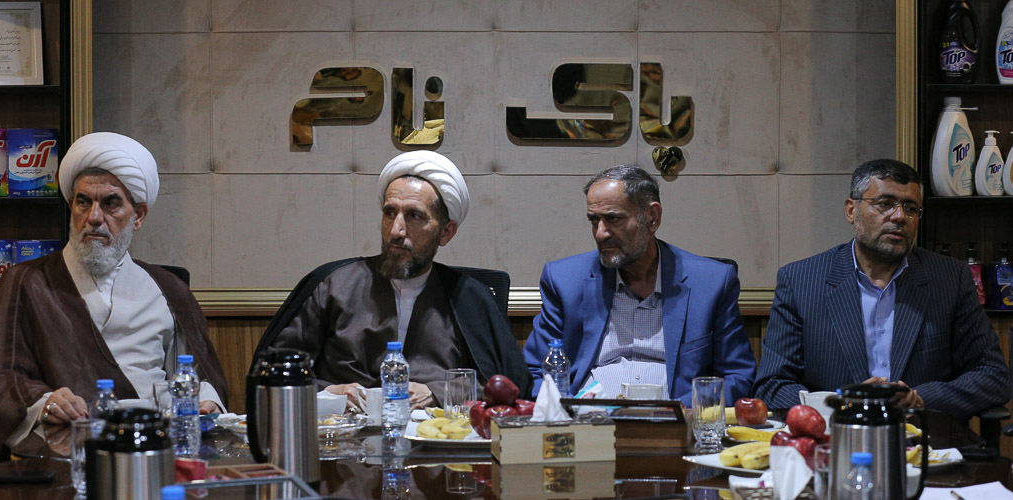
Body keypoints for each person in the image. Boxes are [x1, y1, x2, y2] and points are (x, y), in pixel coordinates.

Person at [0, 132, 228, 454]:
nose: (94, 217)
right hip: (69, 446)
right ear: (71, 206)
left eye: (110, 203)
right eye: (83, 202)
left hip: (156, 446)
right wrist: (45, 402)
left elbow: (197, 377)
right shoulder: (25, 282)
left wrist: (206, 401)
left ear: (138, 216)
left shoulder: (169, 290)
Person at [254, 150, 531, 409]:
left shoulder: (469, 297)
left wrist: (438, 392)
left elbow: (509, 386)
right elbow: (271, 375)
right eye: (389, 213)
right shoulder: (332, 286)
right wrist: (329, 393)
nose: (396, 231)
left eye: (414, 216)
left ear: (446, 232)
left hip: (436, 440)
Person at [753, 159, 1011, 419]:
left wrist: (921, 398)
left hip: (925, 436)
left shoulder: (950, 279)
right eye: (885, 204)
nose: (899, 217)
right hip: (835, 435)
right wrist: (841, 405)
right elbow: (772, 385)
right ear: (851, 210)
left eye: (911, 208)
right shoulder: (801, 281)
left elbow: (993, 375)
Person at [522, 165, 756, 405]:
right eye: (594, 220)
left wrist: (682, 411)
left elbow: (737, 376)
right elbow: (536, 370)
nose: (601, 234)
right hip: (588, 419)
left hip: (677, 419)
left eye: (613, 219)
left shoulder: (711, 283)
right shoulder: (564, 280)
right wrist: (569, 409)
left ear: (652, 217)